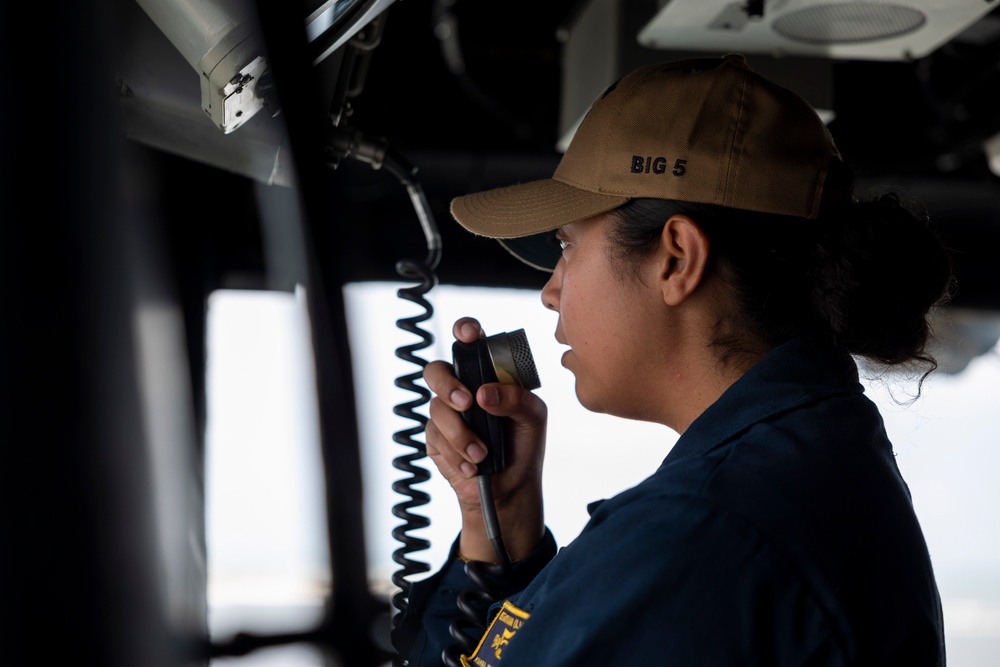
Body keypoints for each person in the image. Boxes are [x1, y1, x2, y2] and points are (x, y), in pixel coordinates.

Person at [393, 53, 953, 666]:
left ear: (676, 259)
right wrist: (496, 523)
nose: (551, 290)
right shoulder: (813, 461)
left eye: (566, 245)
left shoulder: (699, 529)